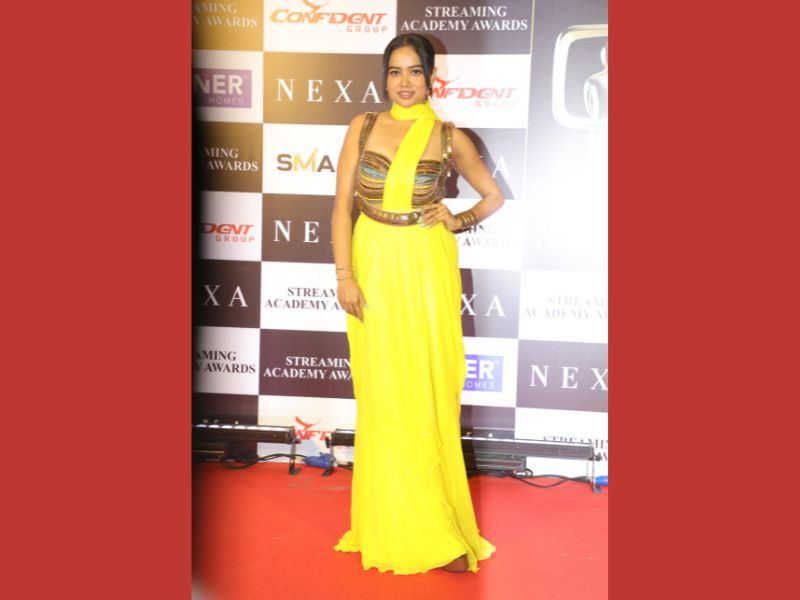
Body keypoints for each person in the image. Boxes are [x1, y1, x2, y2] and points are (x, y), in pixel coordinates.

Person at [331, 33, 504, 575]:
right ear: (384, 77)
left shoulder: (448, 136)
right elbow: (340, 206)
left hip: (425, 264)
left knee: (424, 391)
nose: (404, 82)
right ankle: (391, 518)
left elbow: (493, 196)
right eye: (395, 71)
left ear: (431, 78)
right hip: (372, 260)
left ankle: (436, 526)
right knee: (384, 392)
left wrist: (459, 218)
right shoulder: (362, 127)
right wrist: (344, 275)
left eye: (414, 71)